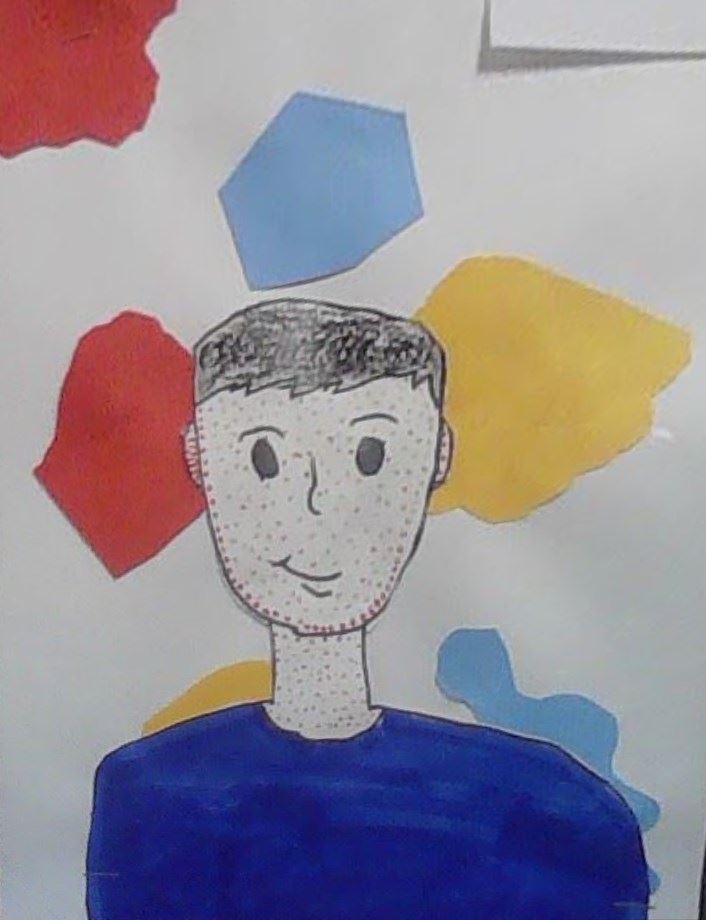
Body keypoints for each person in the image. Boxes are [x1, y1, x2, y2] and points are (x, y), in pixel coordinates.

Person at [86, 299, 649, 919]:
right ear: (201, 459)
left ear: (435, 454)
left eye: (369, 455)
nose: (317, 506)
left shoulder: (555, 812)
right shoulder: (151, 800)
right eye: (264, 460)